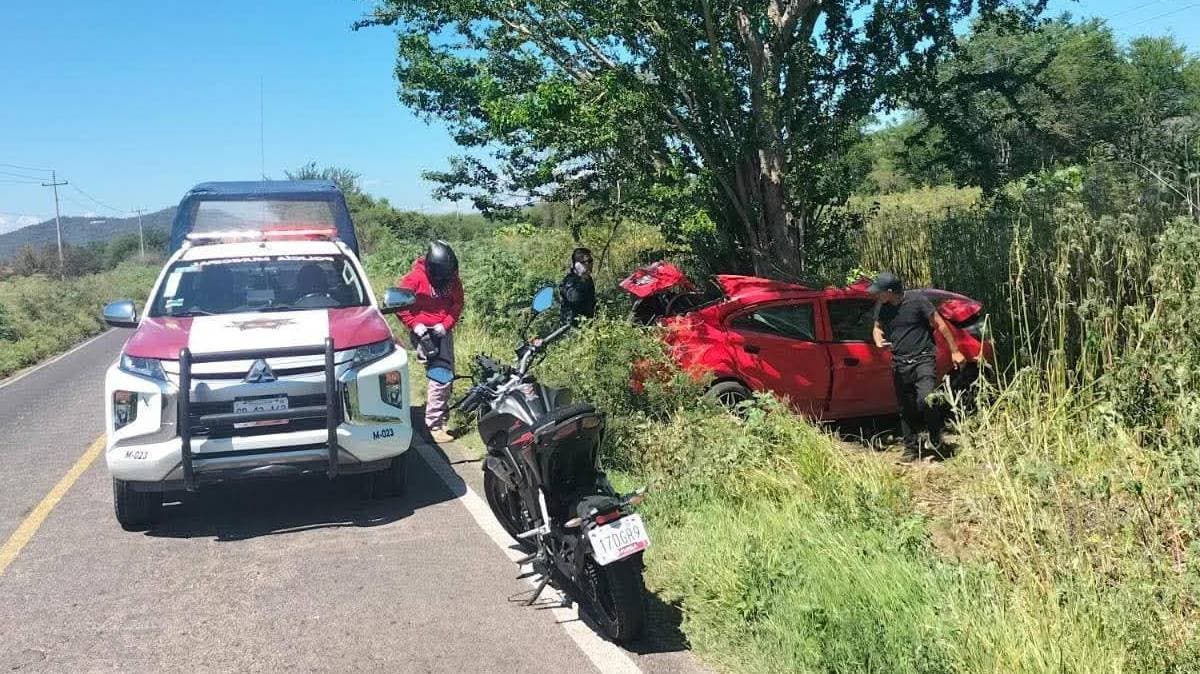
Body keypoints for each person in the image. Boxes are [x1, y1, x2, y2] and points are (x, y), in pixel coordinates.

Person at [869, 272, 965, 461]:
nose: (876, 295)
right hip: (899, 362)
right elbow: (877, 328)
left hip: (923, 359)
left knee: (926, 400)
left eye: (879, 291)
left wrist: (955, 351)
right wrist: (878, 338)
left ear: (890, 291)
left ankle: (936, 440)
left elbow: (940, 325)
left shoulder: (918, 301)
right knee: (906, 408)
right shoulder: (883, 307)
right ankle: (911, 448)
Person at [395, 241, 464, 444]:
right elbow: (399, 303)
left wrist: (446, 324)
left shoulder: (452, 278)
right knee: (440, 375)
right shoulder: (415, 278)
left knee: (447, 375)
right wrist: (414, 324)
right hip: (423, 332)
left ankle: (440, 417)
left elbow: (458, 303)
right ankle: (433, 425)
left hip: (442, 330)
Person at [559, 247, 596, 325]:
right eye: (583, 262)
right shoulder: (569, 281)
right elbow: (573, 298)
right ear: (575, 265)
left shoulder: (588, 279)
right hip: (571, 327)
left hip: (588, 324)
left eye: (590, 261)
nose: (588, 264)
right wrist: (582, 281)